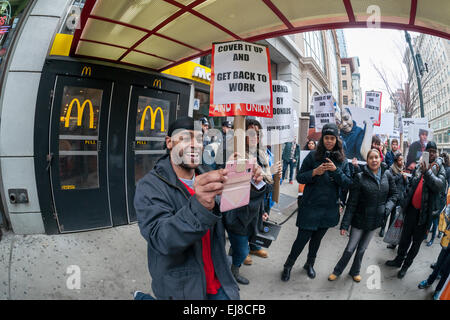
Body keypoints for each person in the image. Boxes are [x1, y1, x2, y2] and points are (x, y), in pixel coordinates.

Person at [134, 116, 262, 300]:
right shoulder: (149, 186)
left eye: (200, 139)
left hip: (219, 281)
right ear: (169, 142)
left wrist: (247, 186)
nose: (195, 145)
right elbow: (162, 239)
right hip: (183, 289)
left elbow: (235, 223)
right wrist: (200, 206)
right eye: (186, 138)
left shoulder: (208, 177)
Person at [281, 123, 352, 281]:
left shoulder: (342, 161)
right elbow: (300, 177)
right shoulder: (312, 156)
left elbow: (348, 183)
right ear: (322, 139)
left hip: (328, 209)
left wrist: (336, 171)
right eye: (326, 138)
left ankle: (309, 264)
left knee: (316, 241)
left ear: (336, 140)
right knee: (301, 240)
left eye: (332, 138)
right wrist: (314, 172)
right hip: (310, 206)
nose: (329, 141)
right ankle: (288, 265)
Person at [328, 149, 398, 282]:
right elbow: (352, 203)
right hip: (359, 220)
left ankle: (355, 271)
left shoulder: (387, 175)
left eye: (376, 157)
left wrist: (386, 209)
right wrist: (345, 224)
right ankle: (337, 271)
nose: (374, 160)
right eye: (371, 158)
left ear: (380, 159)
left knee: (362, 249)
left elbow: (394, 195)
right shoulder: (360, 177)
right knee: (350, 248)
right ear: (367, 161)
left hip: (375, 221)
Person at [386, 141, 447, 278]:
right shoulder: (420, 165)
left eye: (433, 151)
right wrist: (405, 199)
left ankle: (405, 266)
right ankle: (398, 260)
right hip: (411, 210)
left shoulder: (440, 168)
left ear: (436, 153)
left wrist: (427, 173)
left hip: (425, 215)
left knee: (415, 243)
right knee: (404, 238)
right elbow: (412, 183)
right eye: (429, 150)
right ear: (425, 151)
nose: (431, 153)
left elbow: (438, 186)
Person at [223, 119, 272, 285]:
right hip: (236, 210)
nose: (254, 136)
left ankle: (231, 268)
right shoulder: (233, 153)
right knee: (242, 249)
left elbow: (263, 185)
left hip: (254, 210)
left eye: (257, 134)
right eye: (250, 132)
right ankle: (231, 272)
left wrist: (263, 209)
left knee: (241, 244)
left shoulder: (261, 155)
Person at [418, 205, 450, 300]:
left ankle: (438, 290)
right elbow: (446, 212)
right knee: (439, 263)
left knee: (447, 271)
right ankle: (429, 281)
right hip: (447, 239)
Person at [384, 153, 410, 247]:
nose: (402, 162)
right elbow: (390, 180)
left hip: (400, 198)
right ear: (395, 161)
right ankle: (382, 229)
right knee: (387, 213)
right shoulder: (391, 169)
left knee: (394, 218)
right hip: (392, 196)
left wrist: (406, 178)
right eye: (400, 160)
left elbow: (407, 185)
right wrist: (399, 175)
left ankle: (390, 235)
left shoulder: (404, 170)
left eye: (402, 160)